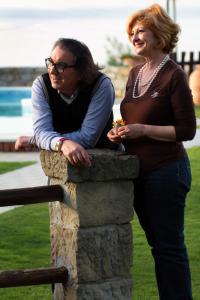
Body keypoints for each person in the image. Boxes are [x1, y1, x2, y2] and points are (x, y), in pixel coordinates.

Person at [107, 4, 196, 300]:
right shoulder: (134, 73)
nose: (134, 35)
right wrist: (118, 130)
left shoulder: (174, 76)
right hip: (139, 172)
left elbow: (186, 130)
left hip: (167, 171)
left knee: (168, 247)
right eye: (131, 32)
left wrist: (143, 130)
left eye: (140, 30)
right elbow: (132, 118)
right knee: (158, 245)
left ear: (159, 36)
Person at [15, 38, 115, 167]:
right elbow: (41, 133)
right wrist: (61, 143)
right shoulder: (41, 85)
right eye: (50, 63)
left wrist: (41, 141)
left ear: (81, 72)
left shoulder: (101, 85)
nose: (51, 70)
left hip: (105, 166)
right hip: (62, 163)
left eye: (61, 65)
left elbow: (87, 138)